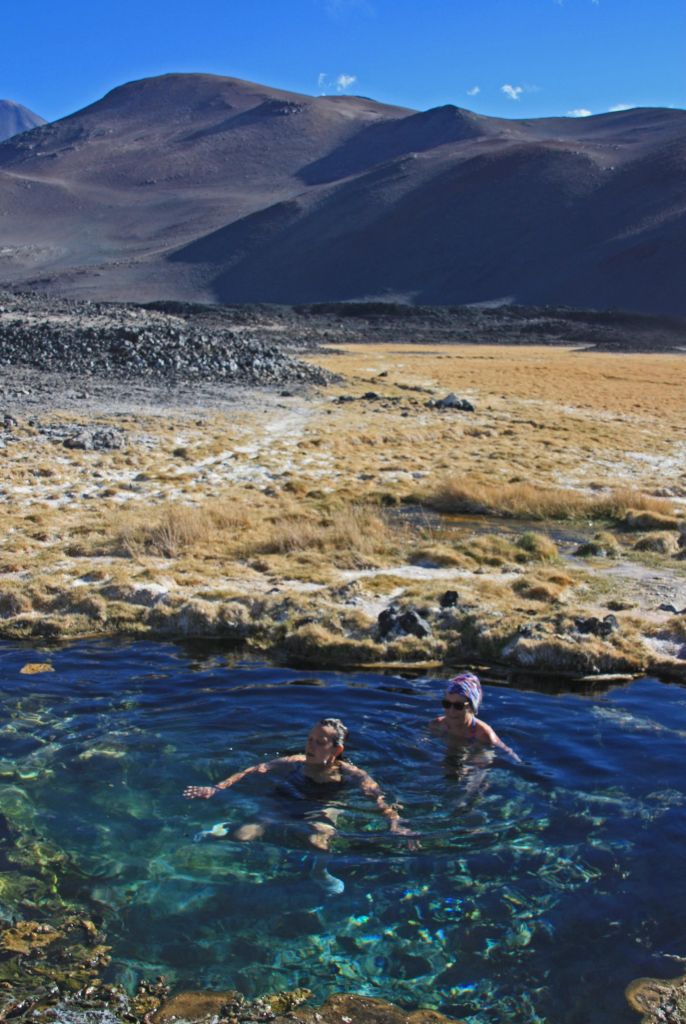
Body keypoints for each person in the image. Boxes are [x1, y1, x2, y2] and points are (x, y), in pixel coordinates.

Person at [183, 717, 415, 851]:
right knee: (243, 836)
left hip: (321, 805)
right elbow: (252, 769)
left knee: (319, 843)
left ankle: (319, 874)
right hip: (284, 801)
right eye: (309, 740)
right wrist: (218, 788)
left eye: (319, 742)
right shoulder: (295, 761)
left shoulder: (353, 774)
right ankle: (222, 829)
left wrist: (395, 822)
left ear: (337, 750)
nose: (310, 747)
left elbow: (378, 798)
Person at [430, 671, 521, 762]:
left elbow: (507, 754)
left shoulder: (483, 734)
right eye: (447, 704)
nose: (451, 710)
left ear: (471, 708)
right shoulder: (438, 725)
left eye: (458, 706)